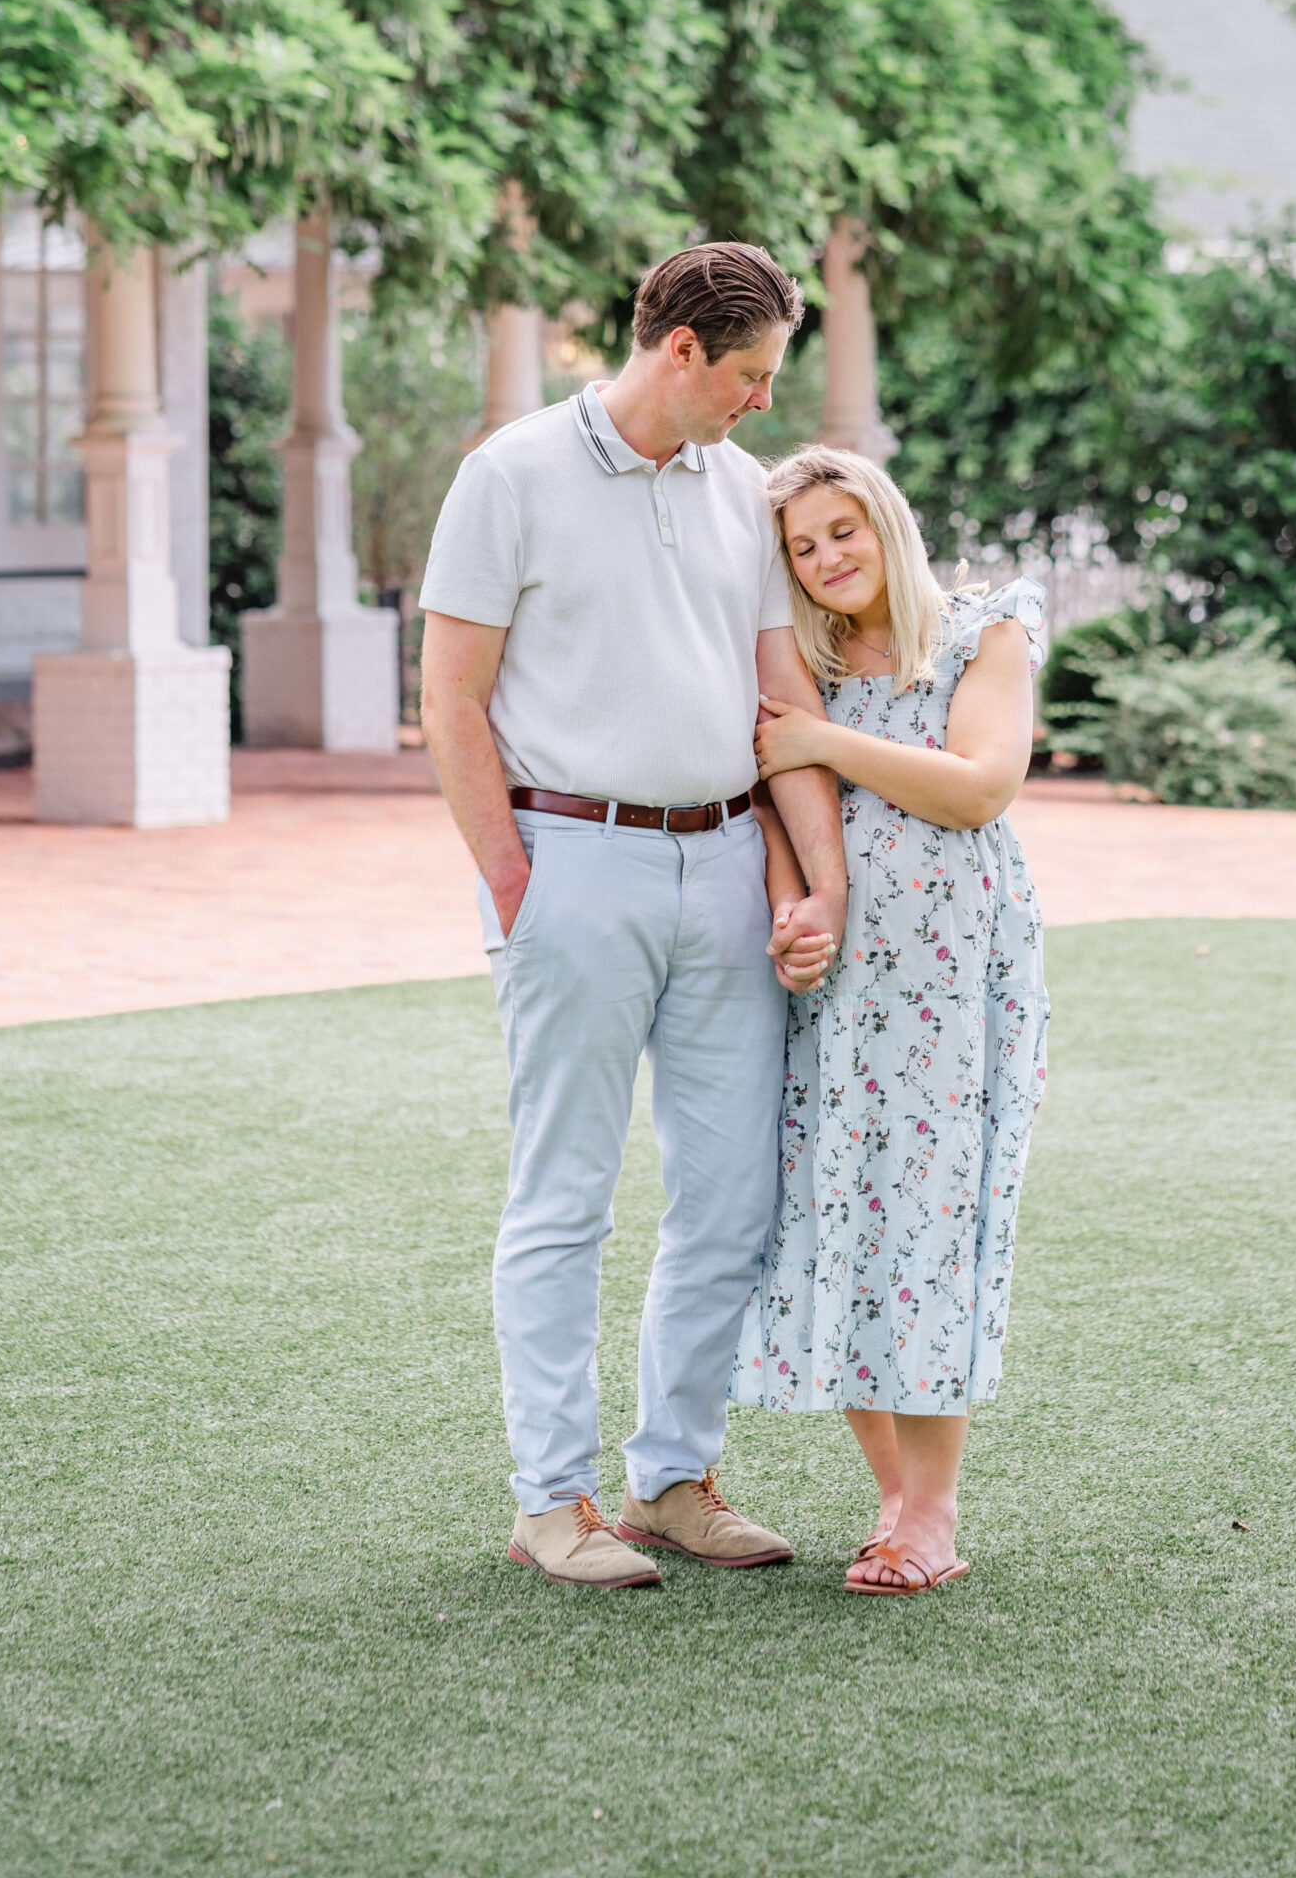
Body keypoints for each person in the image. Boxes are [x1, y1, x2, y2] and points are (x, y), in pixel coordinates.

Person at [418, 245, 844, 1592]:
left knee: (730, 1193)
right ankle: (552, 1500)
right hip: (570, 862)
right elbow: (449, 700)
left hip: (722, 864)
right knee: (566, 1196)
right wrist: (511, 877)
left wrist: (795, 881)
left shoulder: (741, 496)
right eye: (750, 376)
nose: (761, 405)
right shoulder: (510, 475)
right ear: (679, 352)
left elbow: (782, 709)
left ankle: (669, 1481)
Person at [734, 445, 1049, 1596]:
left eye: (841, 531)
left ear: (887, 522)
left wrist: (825, 741)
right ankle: (895, 1501)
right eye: (802, 548)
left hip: (958, 985)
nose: (826, 560)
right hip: (838, 990)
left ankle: (935, 1510)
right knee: (838, 1222)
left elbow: (978, 786)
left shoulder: (982, 633)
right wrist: (790, 908)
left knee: (932, 1218)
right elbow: (768, 802)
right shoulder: (796, 662)